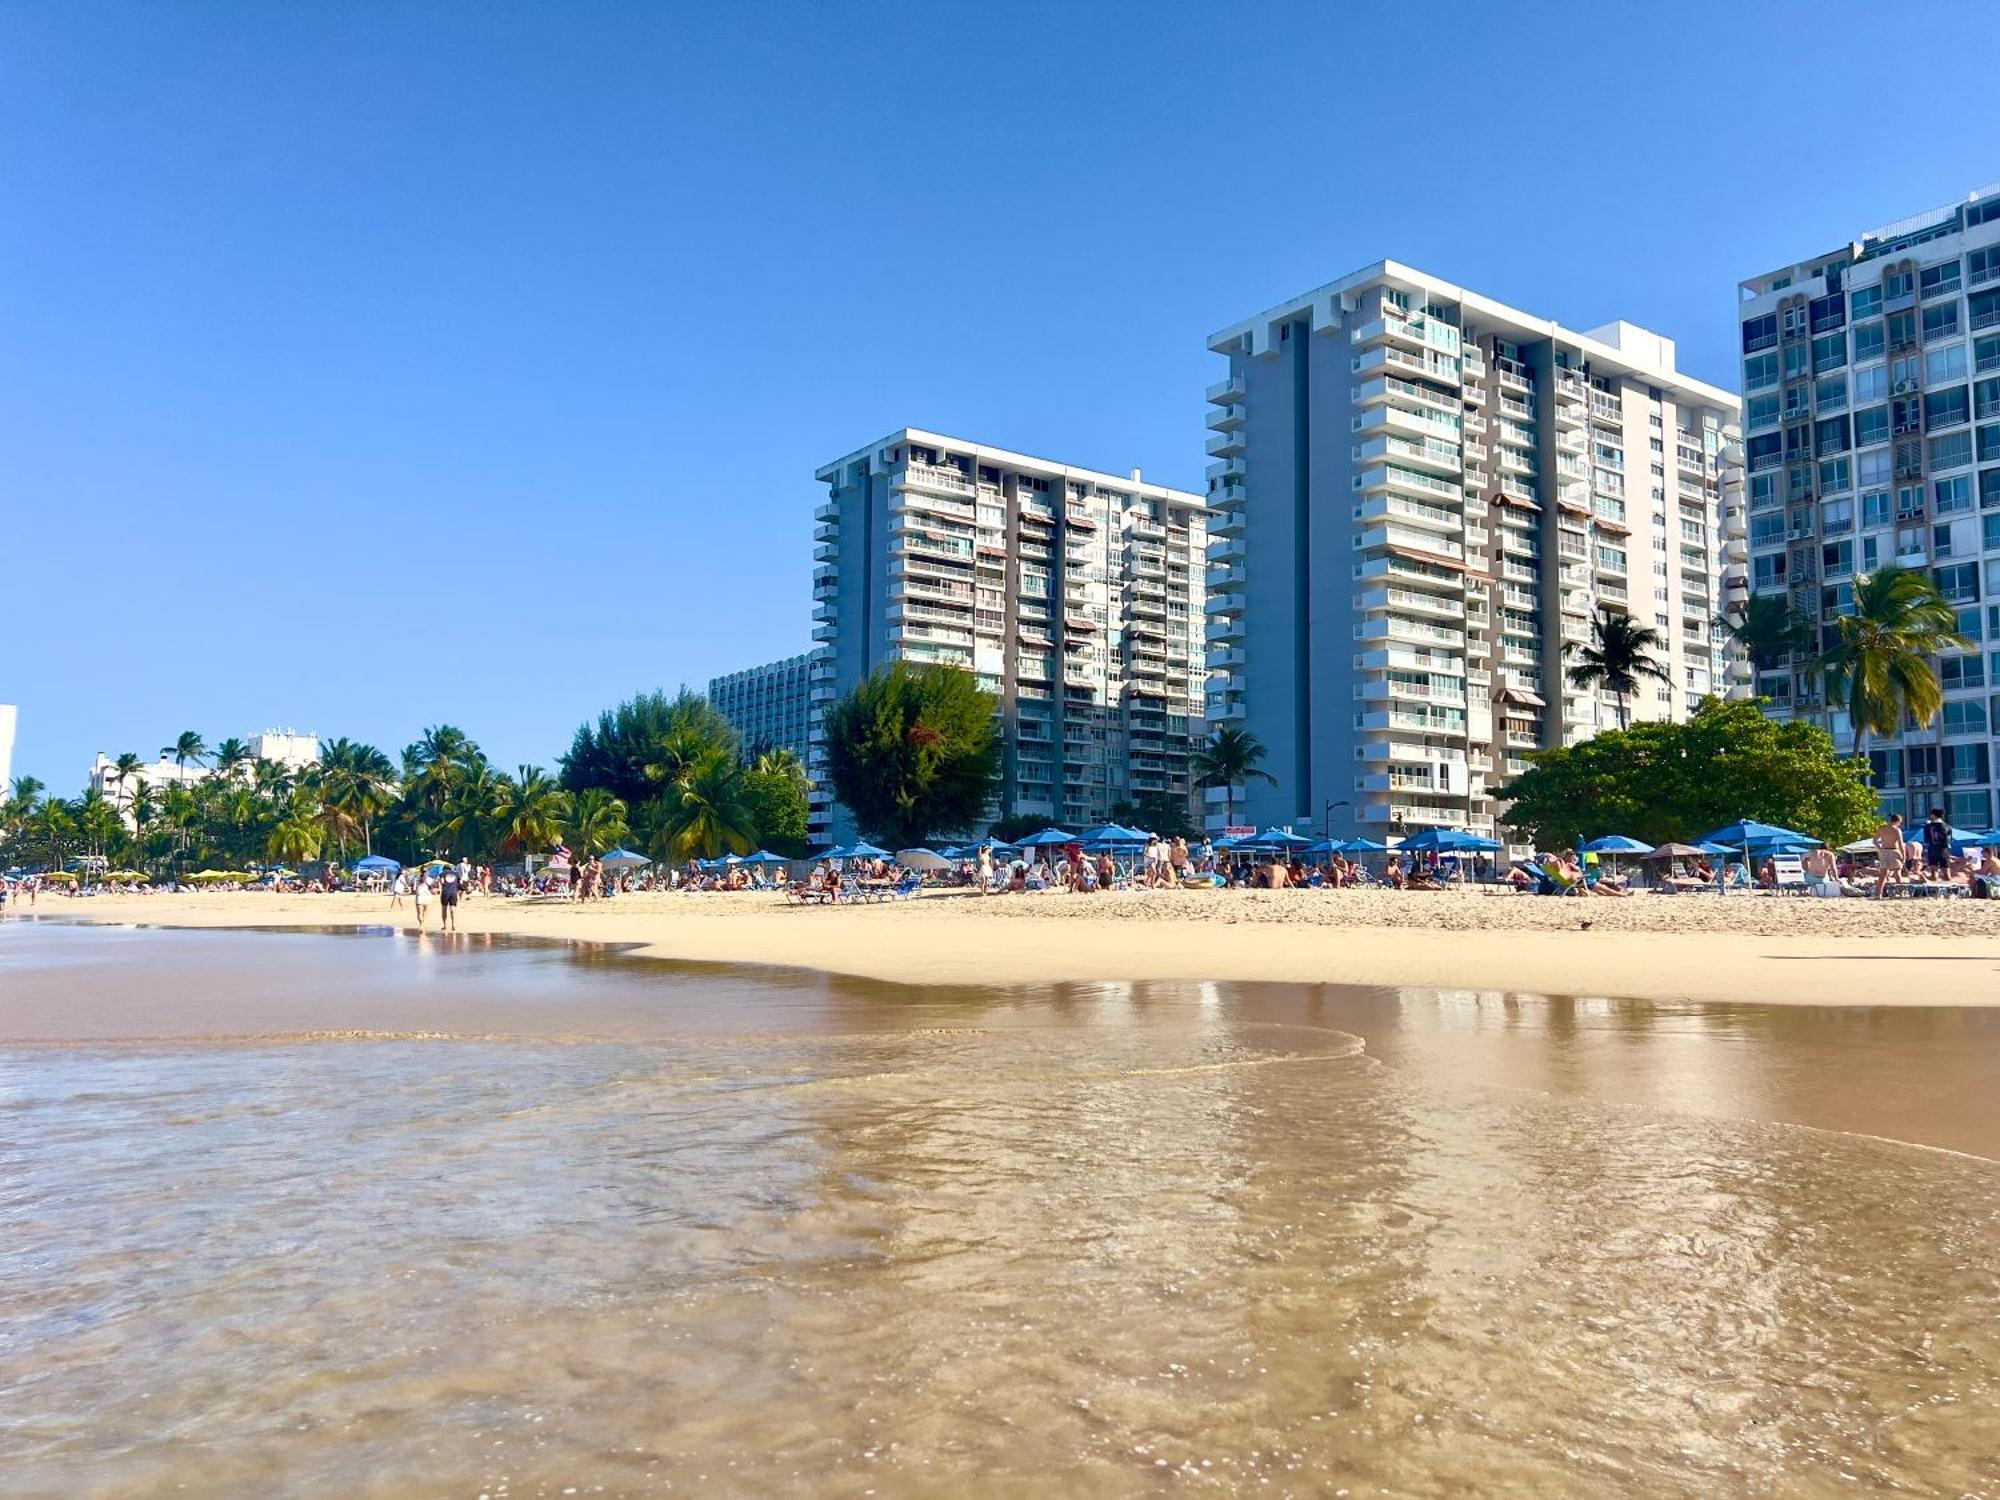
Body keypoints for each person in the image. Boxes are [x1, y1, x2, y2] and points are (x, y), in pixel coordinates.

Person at [1873, 813, 1906, 897]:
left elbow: (1874, 841)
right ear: (1898, 821)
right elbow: (1901, 844)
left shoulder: (1882, 828)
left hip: (1884, 851)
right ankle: (1900, 893)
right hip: (1893, 851)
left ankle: (1879, 894)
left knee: (1882, 875)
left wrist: (1880, 849)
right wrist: (1903, 855)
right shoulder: (1897, 830)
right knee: (1897, 874)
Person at [1921, 809, 1952, 881]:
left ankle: (1934, 891)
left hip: (1932, 850)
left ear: (1933, 815)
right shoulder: (1948, 826)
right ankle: (1950, 891)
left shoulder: (1928, 827)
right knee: (1947, 874)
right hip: (1944, 851)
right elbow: (1949, 841)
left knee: (1933, 873)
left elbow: (1926, 840)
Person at [438, 864, 461, 932]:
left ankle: (445, 925)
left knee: (444, 908)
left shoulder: (442, 873)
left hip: (445, 892)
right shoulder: (456, 874)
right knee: (453, 909)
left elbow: (442, 882)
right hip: (454, 892)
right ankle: (453, 925)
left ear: (444, 869)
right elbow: (459, 883)